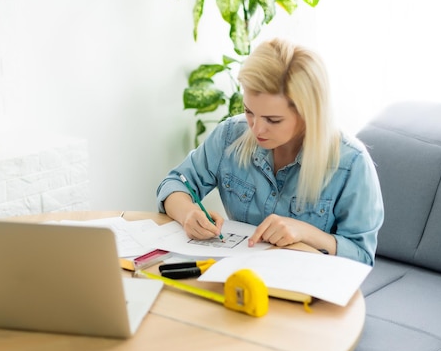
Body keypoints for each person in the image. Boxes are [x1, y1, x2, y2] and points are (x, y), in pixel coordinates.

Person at [156, 38, 384, 265]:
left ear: (308, 113)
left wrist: (305, 233)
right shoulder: (230, 135)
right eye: (249, 111)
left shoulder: (351, 163)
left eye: (273, 120)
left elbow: (362, 257)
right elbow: (175, 183)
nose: (256, 128)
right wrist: (187, 213)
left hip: (306, 290)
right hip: (240, 277)